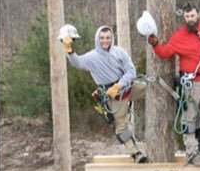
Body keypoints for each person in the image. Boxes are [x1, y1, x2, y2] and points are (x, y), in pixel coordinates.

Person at [147, 3, 200, 166]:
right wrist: (155, 44)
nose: (190, 19)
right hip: (191, 84)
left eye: (192, 16)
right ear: (184, 18)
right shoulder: (178, 36)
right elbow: (164, 53)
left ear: (198, 15)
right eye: (187, 17)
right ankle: (192, 152)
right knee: (189, 118)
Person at [61, 24, 146, 162]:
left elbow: (131, 71)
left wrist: (119, 85)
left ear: (112, 38)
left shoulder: (120, 53)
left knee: (152, 88)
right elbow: (78, 63)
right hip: (114, 97)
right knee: (121, 128)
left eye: (108, 38)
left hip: (127, 86)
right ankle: (136, 153)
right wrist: (69, 51)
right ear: (97, 39)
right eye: (102, 38)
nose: (105, 41)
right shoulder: (92, 57)